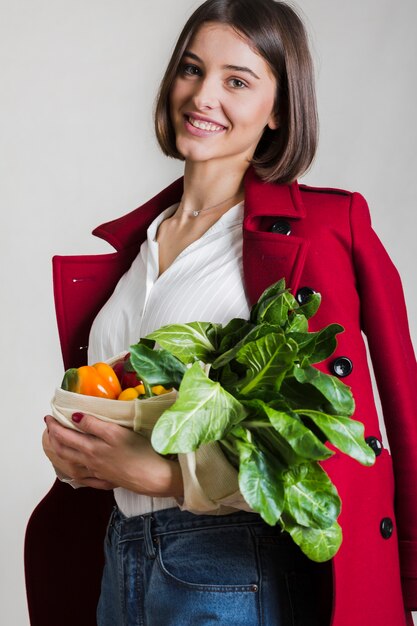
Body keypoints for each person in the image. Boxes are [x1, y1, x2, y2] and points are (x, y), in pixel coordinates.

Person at [33, 0, 417, 624]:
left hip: (233, 564)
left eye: (237, 81)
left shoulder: (318, 233)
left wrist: (169, 476)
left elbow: (353, 429)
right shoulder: (141, 245)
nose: (203, 95)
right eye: (191, 69)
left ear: (279, 111)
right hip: (119, 554)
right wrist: (75, 457)